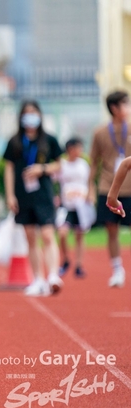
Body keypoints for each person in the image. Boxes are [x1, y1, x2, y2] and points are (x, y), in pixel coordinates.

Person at [3, 100, 63, 297]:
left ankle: (53, 275)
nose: (30, 117)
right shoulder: (15, 142)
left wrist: (42, 169)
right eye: (26, 113)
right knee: (31, 238)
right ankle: (37, 279)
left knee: (47, 235)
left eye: (34, 113)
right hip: (23, 196)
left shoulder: (49, 140)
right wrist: (10, 195)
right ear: (21, 117)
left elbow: (59, 165)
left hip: (43, 194)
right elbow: (9, 169)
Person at [89, 90, 131, 288]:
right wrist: (90, 188)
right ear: (114, 108)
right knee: (111, 230)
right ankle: (117, 270)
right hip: (108, 185)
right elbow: (93, 162)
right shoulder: (100, 132)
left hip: (130, 187)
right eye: (125, 104)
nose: (128, 108)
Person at [56, 137, 91, 278]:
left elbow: (89, 182)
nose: (80, 151)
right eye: (78, 148)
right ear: (70, 149)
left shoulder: (84, 165)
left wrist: (89, 196)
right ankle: (65, 259)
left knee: (79, 235)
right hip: (66, 205)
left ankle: (79, 265)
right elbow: (54, 181)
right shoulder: (62, 164)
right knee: (62, 233)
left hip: (81, 205)